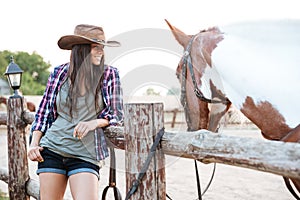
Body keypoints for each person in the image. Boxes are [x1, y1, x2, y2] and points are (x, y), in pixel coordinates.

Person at [27, 24, 123, 200]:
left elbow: (116, 113)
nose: (101, 51)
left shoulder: (109, 74)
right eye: (96, 47)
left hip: (85, 154)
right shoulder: (59, 73)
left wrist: (96, 122)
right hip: (52, 149)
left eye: (102, 47)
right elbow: (43, 113)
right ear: (81, 49)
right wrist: (34, 144)